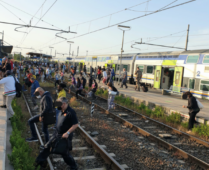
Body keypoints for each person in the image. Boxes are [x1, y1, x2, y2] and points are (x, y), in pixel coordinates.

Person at [35, 97, 78, 170]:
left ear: (63, 104)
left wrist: (67, 133)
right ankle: (39, 162)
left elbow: (76, 124)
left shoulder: (71, 112)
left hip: (64, 136)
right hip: (56, 133)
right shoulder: (61, 110)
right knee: (47, 147)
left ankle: (74, 167)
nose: (57, 106)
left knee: (64, 153)